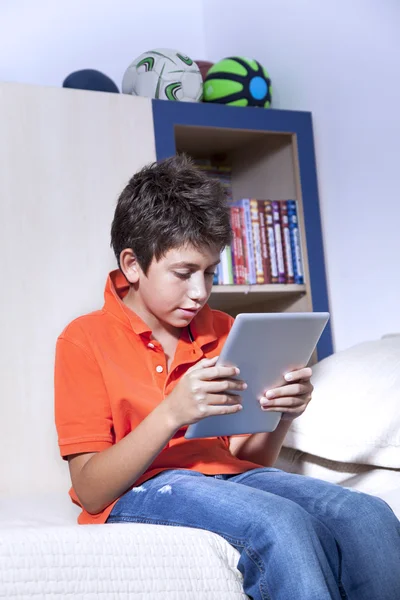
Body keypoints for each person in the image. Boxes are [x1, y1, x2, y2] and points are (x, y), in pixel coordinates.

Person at [54, 155, 400, 600]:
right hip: (142, 488)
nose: (200, 292)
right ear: (132, 265)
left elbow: (246, 463)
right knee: (281, 523)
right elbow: (91, 491)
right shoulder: (83, 340)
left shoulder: (222, 330)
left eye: (210, 272)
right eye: (183, 273)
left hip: (230, 479)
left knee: (367, 514)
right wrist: (171, 412)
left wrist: (283, 415)